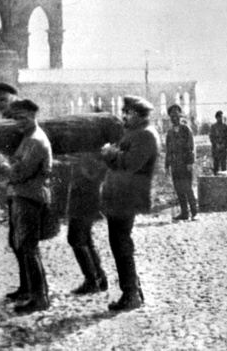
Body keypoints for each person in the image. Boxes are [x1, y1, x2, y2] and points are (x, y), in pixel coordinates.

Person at [0, 99, 53, 314]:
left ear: (34, 116)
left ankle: (40, 297)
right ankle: (28, 289)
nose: (19, 122)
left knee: (28, 247)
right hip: (22, 195)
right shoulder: (28, 138)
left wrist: (2, 165)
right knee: (20, 244)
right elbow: (18, 166)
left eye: (24, 118)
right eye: (16, 118)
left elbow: (20, 173)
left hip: (30, 198)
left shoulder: (35, 140)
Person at [100, 96, 160, 311]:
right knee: (119, 243)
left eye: (128, 112)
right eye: (123, 111)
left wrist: (110, 153)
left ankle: (131, 294)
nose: (123, 115)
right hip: (120, 196)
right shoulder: (135, 133)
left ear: (139, 114)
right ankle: (134, 290)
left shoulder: (145, 135)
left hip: (127, 198)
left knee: (121, 244)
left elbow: (131, 163)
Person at [0, 82, 27, 302]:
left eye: (4, 99)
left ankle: (33, 288)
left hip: (25, 186)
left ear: (15, 97)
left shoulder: (22, 121)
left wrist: (4, 163)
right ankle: (26, 285)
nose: (1, 104)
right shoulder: (7, 122)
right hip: (14, 185)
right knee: (16, 239)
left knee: (24, 240)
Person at [66, 154, 108, 295]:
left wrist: (81, 164)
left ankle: (92, 280)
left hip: (84, 198)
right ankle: (99, 278)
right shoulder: (93, 151)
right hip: (87, 197)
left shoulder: (91, 153)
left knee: (75, 239)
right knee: (85, 240)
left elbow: (93, 174)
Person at [165, 104, 197, 221]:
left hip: (185, 163)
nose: (174, 118)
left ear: (180, 116)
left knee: (187, 187)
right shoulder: (169, 132)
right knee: (178, 189)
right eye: (172, 116)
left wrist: (190, 162)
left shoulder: (186, 129)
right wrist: (167, 166)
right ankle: (184, 213)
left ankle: (194, 211)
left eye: (176, 115)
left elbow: (191, 146)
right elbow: (168, 150)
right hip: (175, 165)